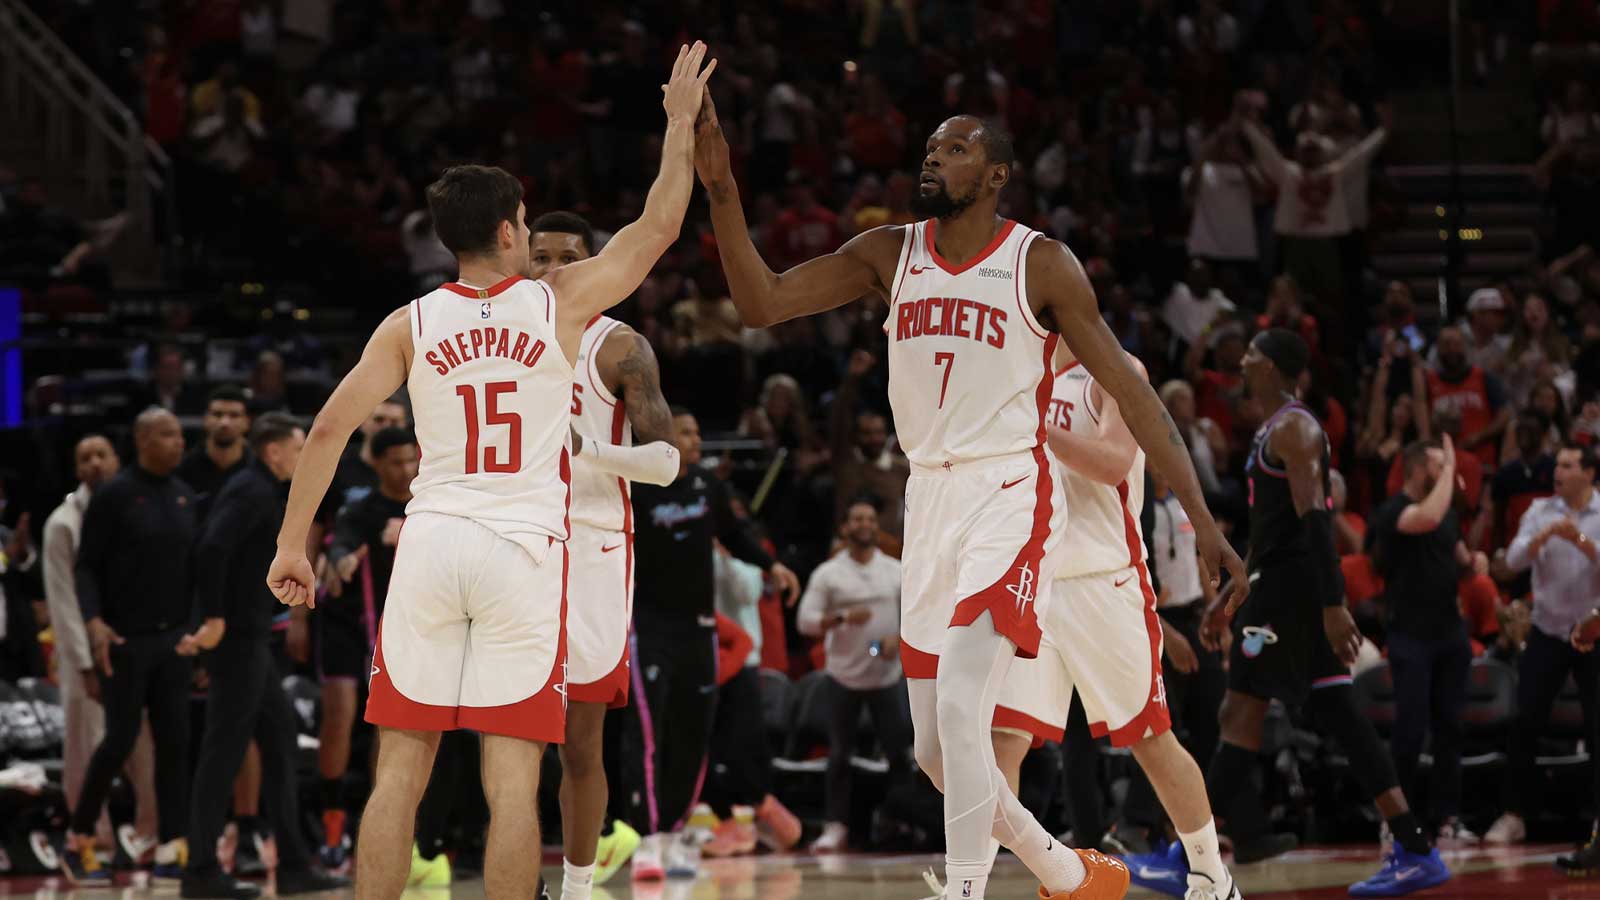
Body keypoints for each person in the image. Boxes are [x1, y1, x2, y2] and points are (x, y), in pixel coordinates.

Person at [695, 96, 1245, 900]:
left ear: (994, 176)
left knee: (965, 702)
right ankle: (1061, 869)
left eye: (953, 149)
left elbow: (1136, 398)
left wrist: (1203, 521)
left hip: (1009, 491)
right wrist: (721, 190)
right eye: (929, 147)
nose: (932, 158)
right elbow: (762, 303)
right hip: (930, 501)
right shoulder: (891, 252)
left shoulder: (1041, 263)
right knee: (937, 752)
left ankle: (965, 891)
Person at [264, 43, 716, 900]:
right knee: (514, 784)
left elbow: (326, 428)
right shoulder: (559, 301)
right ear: (511, 229)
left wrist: (295, 545)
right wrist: (678, 122)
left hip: (431, 544)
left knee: (399, 766)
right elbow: (658, 225)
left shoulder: (409, 322)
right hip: (522, 553)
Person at [1199, 330, 1450, 897]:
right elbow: (1271, 533)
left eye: (1253, 356)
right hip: (1279, 590)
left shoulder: (1296, 427)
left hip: (1291, 599)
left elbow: (1314, 525)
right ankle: (1415, 849)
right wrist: (1224, 596)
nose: (1242, 361)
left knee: (1239, 715)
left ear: (1277, 369)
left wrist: (1335, 605)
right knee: (1342, 715)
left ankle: (1190, 855)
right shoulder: (1272, 429)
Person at [992, 345, 1238, 900]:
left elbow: (1111, 461)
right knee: (1000, 742)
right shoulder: (1017, 370)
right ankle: (973, 882)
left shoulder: (1117, 369)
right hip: (1036, 580)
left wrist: (1033, 425)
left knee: (1150, 739)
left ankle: (1211, 879)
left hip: (1106, 580)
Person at [526, 209, 680, 898]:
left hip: (593, 540)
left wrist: (588, 450)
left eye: (569, 255)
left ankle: (579, 889)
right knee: (511, 734)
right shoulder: (497, 335)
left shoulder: (621, 347)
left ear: (596, 264)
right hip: (516, 538)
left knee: (579, 741)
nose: (555, 268)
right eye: (541, 256)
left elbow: (668, 462)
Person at [621, 408, 801, 880]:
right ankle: (646, 839)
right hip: (649, 627)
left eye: (698, 429)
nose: (696, 437)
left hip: (698, 630)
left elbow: (735, 534)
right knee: (647, 736)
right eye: (687, 430)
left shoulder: (706, 487)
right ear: (661, 438)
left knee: (691, 736)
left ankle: (679, 834)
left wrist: (770, 565)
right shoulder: (636, 488)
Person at [180, 415, 346, 899]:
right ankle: (201, 871)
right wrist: (213, 618)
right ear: (274, 452)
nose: (304, 457)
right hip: (236, 642)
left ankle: (294, 863)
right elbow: (210, 548)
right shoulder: (251, 491)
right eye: (299, 448)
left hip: (255, 640)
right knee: (222, 754)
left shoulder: (261, 490)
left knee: (281, 746)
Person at [61, 409, 197, 886]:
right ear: (141, 439)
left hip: (173, 641)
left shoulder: (183, 496)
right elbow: (85, 568)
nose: (178, 442)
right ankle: (78, 837)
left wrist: (195, 631)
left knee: (175, 743)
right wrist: (94, 621)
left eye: (179, 434)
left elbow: (194, 571)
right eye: (166, 434)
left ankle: (171, 845)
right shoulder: (115, 496)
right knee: (118, 740)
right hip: (124, 640)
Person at [42, 436, 159, 864]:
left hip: (130, 643)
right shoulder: (62, 523)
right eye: (84, 457)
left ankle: (150, 834)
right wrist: (85, 660)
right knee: (86, 745)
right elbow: (62, 600)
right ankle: (95, 840)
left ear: (117, 460)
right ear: (76, 469)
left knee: (141, 743)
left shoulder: (134, 510)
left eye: (101, 455)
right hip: (83, 653)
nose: (94, 463)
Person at [1488, 444, 1600, 867]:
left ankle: (1597, 827)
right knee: (1525, 719)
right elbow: (1512, 561)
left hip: (1593, 631)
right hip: (1548, 630)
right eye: (1558, 464)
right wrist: (1539, 539)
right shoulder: (1539, 510)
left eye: (1569, 465)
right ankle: (1514, 814)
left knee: (1598, 727)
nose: (1558, 471)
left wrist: (1583, 541)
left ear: (1589, 474)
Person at [314, 427, 419, 872]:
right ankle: (331, 830)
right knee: (339, 719)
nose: (406, 469)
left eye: (411, 459)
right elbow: (339, 545)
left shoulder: (429, 506)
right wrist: (341, 560)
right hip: (347, 626)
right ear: (376, 464)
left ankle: (384, 829)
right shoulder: (361, 510)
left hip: (406, 631)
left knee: (389, 730)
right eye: (396, 461)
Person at [1367, 440, 1482, 841]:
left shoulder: (1446, 513)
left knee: (1451, 727)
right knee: (1410, 729)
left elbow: (1462, 560)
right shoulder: (1394, 511)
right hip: (1410, 634)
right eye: (1437, 463)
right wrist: (1452, 465)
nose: (1446, 468)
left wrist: (1475, 565)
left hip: (1450, 632)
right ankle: (1397, 819)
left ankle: (1448, 818)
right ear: (1417, 469)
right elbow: (1427, 519)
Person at [796, 498, 910, 854]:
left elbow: (918, 615)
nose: (864, 524)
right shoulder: (829, 574)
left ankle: (900, 819)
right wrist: (842, 618)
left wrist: (899, 639)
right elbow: (805, 621)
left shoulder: (895, 569)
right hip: (843, 676)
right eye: (857, 518)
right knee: (839, 754)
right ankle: (836, 826)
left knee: (900, 754)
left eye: (870, 518)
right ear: (845, 528)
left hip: (888, 675)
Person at [175, 385, 253, 521]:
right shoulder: (183, 470)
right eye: (217, 414)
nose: (224, 422)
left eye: (234, 415)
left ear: (246, 422)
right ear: (205, 419)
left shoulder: (258, 470)